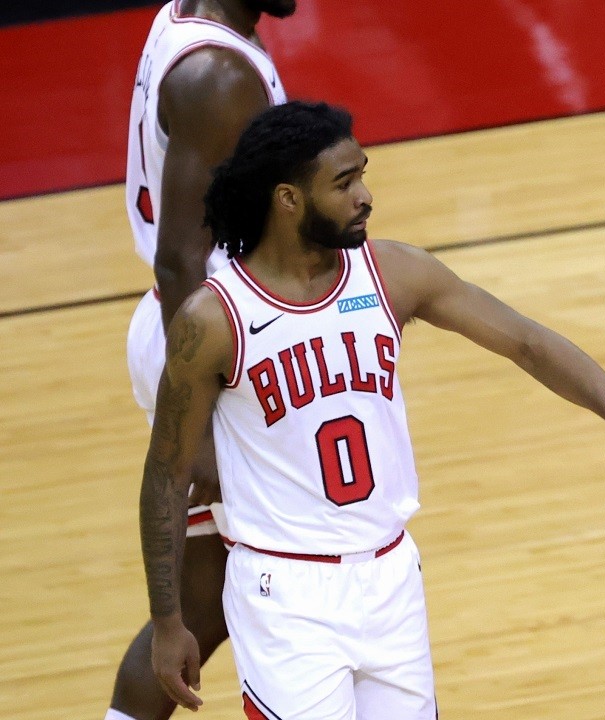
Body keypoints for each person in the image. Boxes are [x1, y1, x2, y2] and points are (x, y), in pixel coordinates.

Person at [138, 100, 605, 718]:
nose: (365, 196)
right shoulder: (214, 319)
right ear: (288, 199)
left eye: (363, 175)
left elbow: (526, 342)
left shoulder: (393, 274)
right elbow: (166, 474)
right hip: (285, 592)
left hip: (391, 572)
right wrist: (167, 621)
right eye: (344, 183)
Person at [115, 2, 292, 718]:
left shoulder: (190, 19)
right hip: (214, 344)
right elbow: (179, 256)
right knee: (295, 577)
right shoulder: (218, 74)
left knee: (203, 602)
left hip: (197, 328)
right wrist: (204, 430)